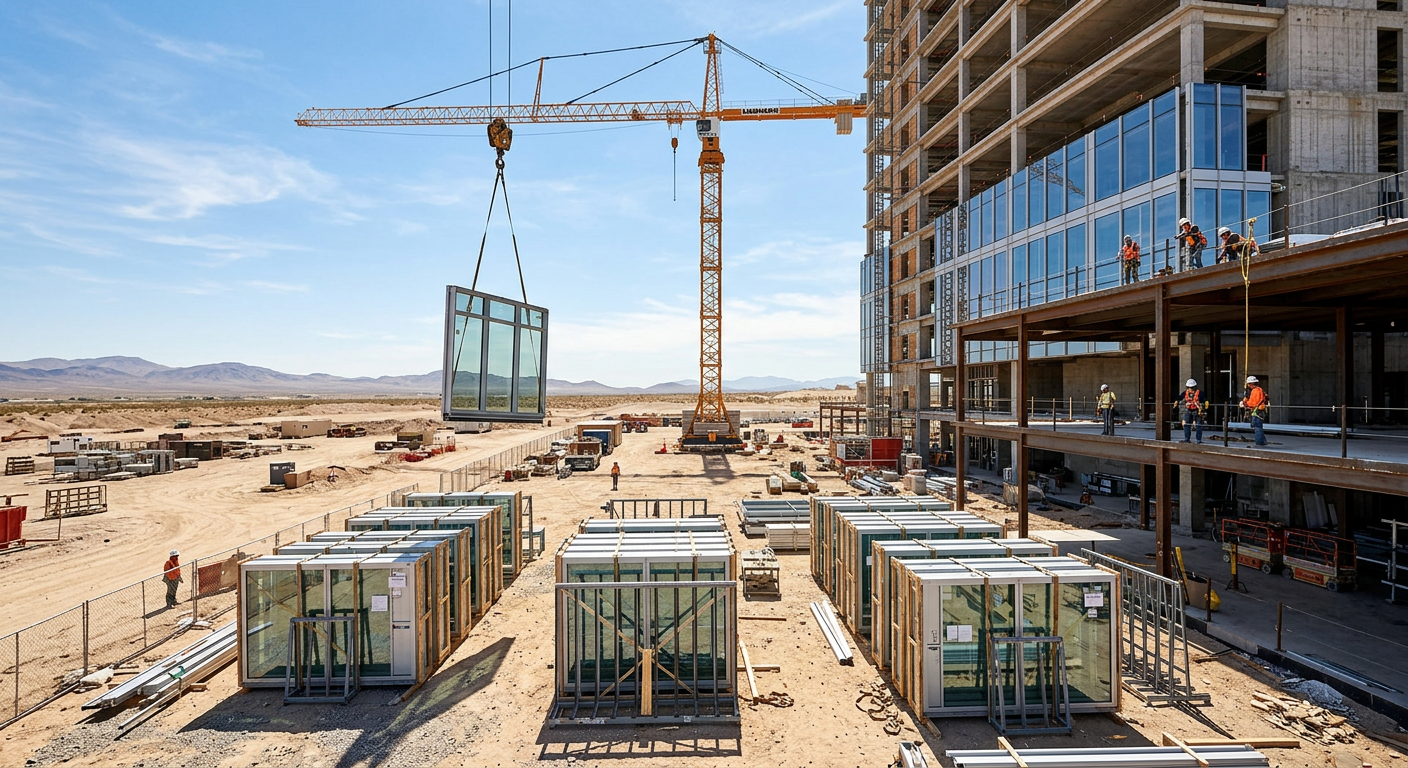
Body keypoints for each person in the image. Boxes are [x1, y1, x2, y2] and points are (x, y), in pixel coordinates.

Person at [1241, 375, 1269, 447]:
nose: (1247, 386)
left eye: (1248, 384)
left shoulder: (1256, 391)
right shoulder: (1258, 390)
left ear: (1251, 384)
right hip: (1259, 411)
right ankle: (1262, 441)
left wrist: (1245, 403)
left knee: (1257, 427)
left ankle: (1259, 443)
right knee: (1257, 426)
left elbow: (1253, 403)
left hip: (1258, 412)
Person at [1180, 378, 1208, 443]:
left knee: (1198, 425)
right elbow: (1180, 397)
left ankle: (1198, 440)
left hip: (1197, 410)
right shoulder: (1185, 393)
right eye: (1189, 388)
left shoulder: (1200, 393)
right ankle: (1187, 439)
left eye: (1192, 388)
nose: (1190, 390)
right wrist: (1176, 400)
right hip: (1188, 410)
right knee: (1186, 424)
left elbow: (1204, 399)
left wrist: (1206, 403)